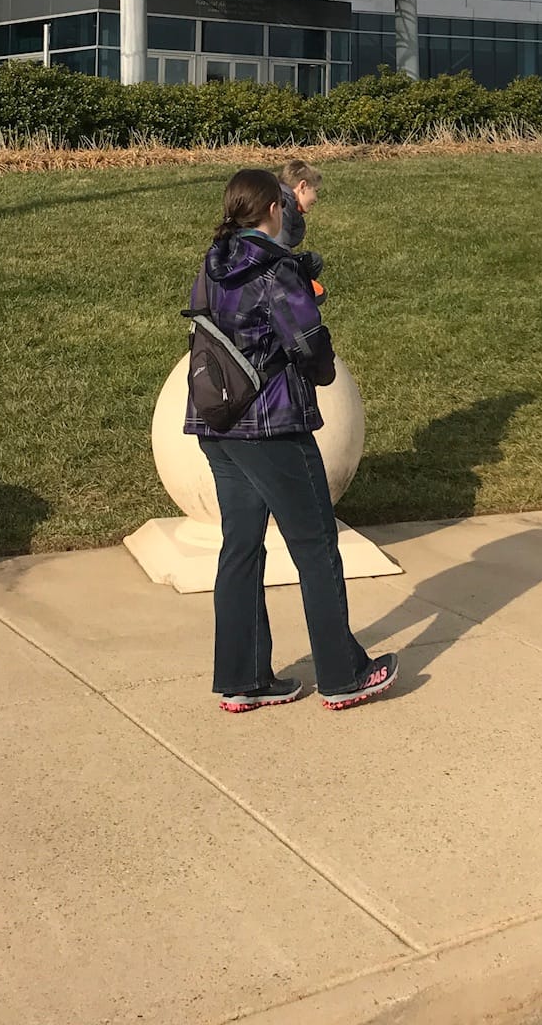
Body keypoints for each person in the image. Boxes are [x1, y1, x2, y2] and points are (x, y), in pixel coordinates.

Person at [188, 168, 396, 714]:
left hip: (218, 422)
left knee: (240, 547)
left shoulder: (214, 264)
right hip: (273, 424)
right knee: (314, 545)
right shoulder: (274, 269)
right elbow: (306, 341)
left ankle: (244, 679)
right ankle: (343, 674)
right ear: (273, 210)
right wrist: (320, 362)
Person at [278, 159, 321, 252]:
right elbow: (279, 249)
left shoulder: (283, 201)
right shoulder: (282, 206)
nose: (315, 199)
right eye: (315, 191)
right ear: (302, 186)